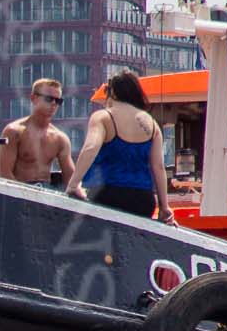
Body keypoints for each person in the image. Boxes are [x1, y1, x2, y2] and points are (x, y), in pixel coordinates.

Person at [66, 70, 171, 220]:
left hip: (107, 194)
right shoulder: (151, 124)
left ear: (113, 92)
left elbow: (90, 148)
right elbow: (158, 167)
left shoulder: (103, 117)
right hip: (143, 199)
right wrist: (164, 207)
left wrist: (74, 184)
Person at [0, 79, 77, 187]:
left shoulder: (60, 138)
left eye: (58, 101)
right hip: (19, 191)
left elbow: (70, 176)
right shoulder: (14, 132)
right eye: (49, 99)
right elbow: (5, 174)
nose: (54, 103)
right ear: (33, 99)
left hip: (47, 193)